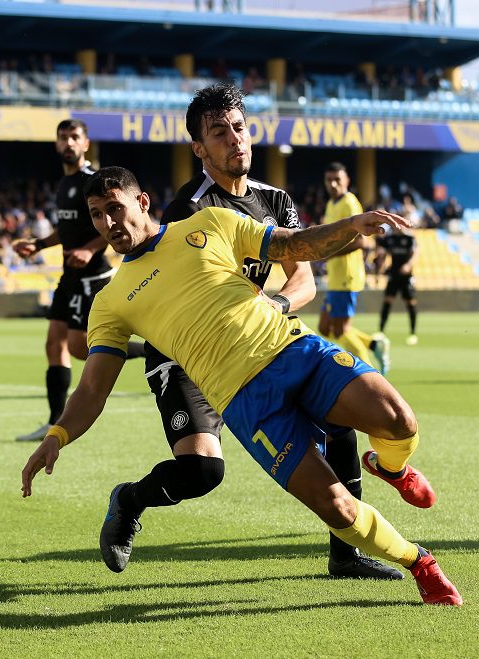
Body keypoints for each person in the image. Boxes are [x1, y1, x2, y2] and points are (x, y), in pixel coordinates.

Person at [22, 166, 461, 606]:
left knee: (399, 420)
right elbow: (93, 390)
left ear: (142, 203)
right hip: (247, 403)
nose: (107, 223)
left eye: (114, 208)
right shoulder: (111, 302)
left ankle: (391, 468)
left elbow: (292, 245)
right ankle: (419, 562)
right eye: (97, 214)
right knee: (337, 508)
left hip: (294, 350)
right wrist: (58, 435)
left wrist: (349, 226)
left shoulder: (208, 223)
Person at [139, 83, 399, 580]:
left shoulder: (275, 200)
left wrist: (274, 303)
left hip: (257, 344)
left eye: (239, 127)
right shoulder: (190, 212)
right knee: (202, 472)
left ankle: (344, 556)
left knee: (338, 423)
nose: (235, 139)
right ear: (199, 148)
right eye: (219, 133)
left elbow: (302, 277)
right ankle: (130, 501)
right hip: (191, 359)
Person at [13, 119, 143, 441]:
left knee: (77, 346)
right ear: (56, 144)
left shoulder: (92, 182)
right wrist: (39, 244)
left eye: (74, 137)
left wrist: (88, 250)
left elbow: (112, 223)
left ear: (86, 144)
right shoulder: (63, 185)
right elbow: (67, 230)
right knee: (53, 343)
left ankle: (148, 350)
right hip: (69, 276)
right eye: (63, 138)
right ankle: (55, 421)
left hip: (92, 276)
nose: (68, 143)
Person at [316, 163, 391, 374]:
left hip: (347, 276)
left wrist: (328, 253)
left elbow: (361, 242)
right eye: (329, 179)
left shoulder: (350, 203)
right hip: (335, 276)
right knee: (325, 328)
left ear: (347, 180)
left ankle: (370, 376)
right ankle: (374, 345)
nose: (332, 184)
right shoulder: (332, 204)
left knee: (340, 330)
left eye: (337, 180)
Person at [376, 224, 419, 345]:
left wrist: (408, 265)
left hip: (406, 277)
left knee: (410, 303)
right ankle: (381, 331)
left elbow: (415, 253)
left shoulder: (410, 238)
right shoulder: (390, 239)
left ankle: (413, 333)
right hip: (394, 275)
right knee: (387, 301)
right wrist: (379, 272)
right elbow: (383, 254)